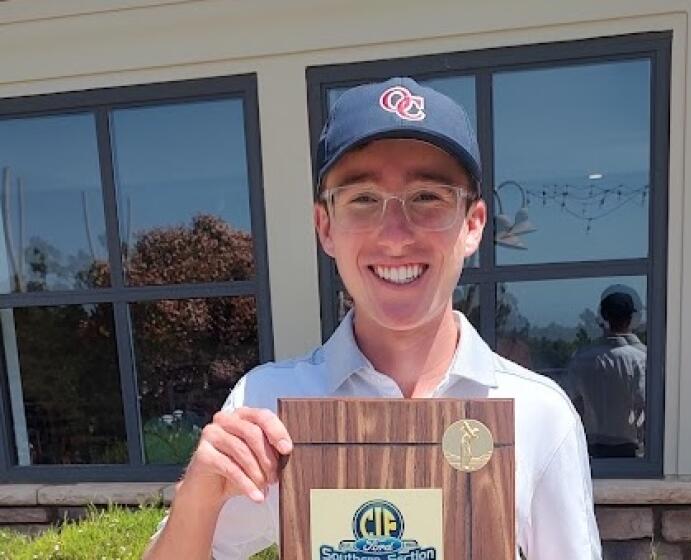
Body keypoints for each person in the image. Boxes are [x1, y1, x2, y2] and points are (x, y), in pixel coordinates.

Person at [144, 77, 601, 559]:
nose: (395, 234)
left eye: (427, 196)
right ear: (325, 227)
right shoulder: (266, 405)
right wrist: (198, 495)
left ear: (472, 225)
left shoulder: (538, 413)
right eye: (363, 199)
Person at [568, 286, 647, 459]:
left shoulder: (582, 358)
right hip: (629, 448)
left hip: (591, 447)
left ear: (604, 317)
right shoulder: (639, 360)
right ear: (631, 319)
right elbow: (644, 403)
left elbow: (574, 403)